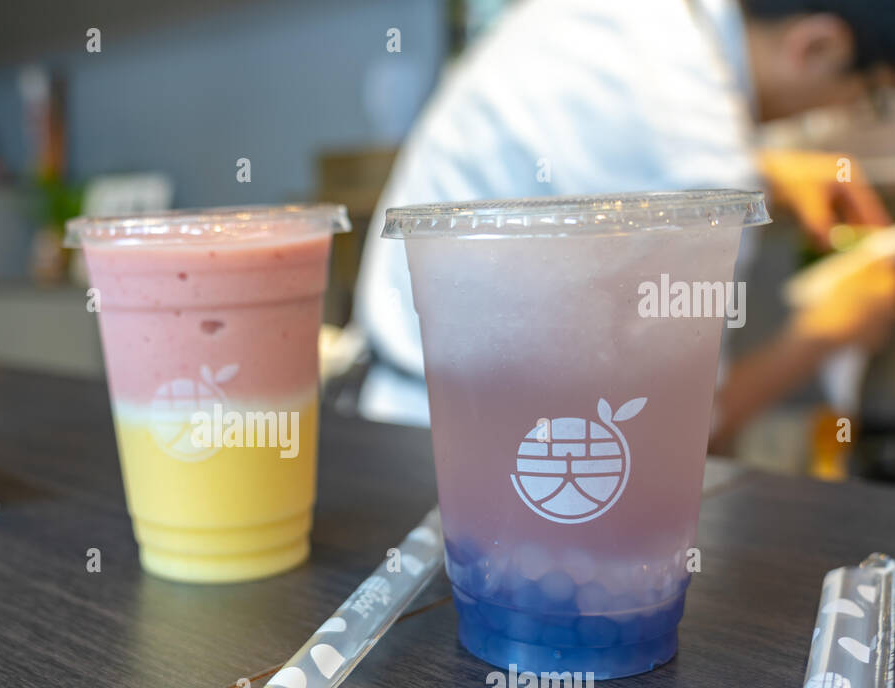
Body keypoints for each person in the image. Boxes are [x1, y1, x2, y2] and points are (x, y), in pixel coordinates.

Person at [353, 0, 895, 447]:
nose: (849, 108)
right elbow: (678, 430)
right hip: (479, 455)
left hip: (408, 408)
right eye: (869, 94)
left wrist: (764, 171)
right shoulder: (693, 146)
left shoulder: (643, 24)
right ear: (818, 47)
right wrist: (827, 331)